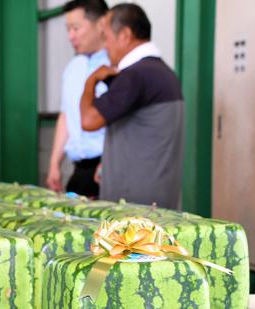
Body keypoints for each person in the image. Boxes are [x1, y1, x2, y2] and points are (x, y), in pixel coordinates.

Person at [80, 3, 184, 209]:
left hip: (134, 207)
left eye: (106, 38)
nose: (105, 46)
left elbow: (88, 120)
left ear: (125, 35)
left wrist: (91, 81)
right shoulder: (164, 73)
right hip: (161, 198)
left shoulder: (134, 76)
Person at [46, 0, 109, 198]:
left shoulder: (116, 66)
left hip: (106, 170)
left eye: (76, 28)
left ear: (101, 25)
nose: (70, 36)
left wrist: (110, 163)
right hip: (79, 170)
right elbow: (66, 116)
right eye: (68, 29)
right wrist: (54, 164)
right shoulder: (73, 68)